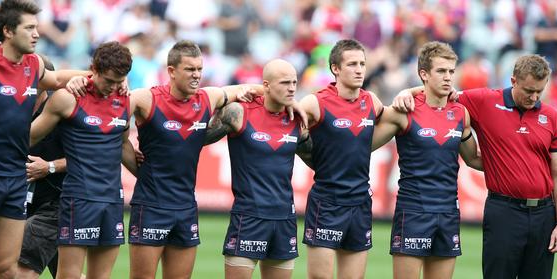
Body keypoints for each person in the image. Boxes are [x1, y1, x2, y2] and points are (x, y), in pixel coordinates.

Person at [392, 54, 557, 279]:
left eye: (539, 91)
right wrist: (406, 92)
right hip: (504, 210)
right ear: (513, 81)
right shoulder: (485, 101)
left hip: (544, 213)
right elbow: (441, 91)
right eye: (528, 91)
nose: (534, 97)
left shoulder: (552, 117)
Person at [0, 0, 89, 277]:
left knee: (7, 270)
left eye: (37, 27)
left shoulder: (34, 64)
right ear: (7, 30)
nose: (37, 34)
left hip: (15, 180)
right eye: (29, 28)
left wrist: (98, 76)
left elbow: (55, 79)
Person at [122, 40, 270, 279]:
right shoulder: (145, 99)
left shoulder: (208, 98)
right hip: (150, 206)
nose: (197, 75)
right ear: (171, 71)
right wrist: (137, 168)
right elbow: (115, 129)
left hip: (186, 208)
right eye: (190, 69)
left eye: (200, 69)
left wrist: (295, 103)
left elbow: (257, 88)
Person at [371, 41, 482, 279]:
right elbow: (363, 147)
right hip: (413, 211)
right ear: (424, 74)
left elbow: (473, 159)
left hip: (448, 212)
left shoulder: (461, 113)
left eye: (451, 71)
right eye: (441, 71)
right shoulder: (404, 110)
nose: (448, 77)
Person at [29, 41, 135, 279]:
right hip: (79, 200)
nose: (113, 87)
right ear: (93, 69)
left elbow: (123, 145)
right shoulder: (68, 98)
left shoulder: (126, 99)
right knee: (68, 276)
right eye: (108, 81)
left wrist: (150, 177)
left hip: (112, 201)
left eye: (120, 81)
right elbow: (28, 138)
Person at [204, 59, 312, 279]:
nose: (292, 88)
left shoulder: (296, 120)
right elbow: (195, 135)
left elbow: (320, 162)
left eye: (294, 82)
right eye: (284, 83)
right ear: (267, 85)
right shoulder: (238, 112)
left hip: (285, 220)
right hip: (249, 217)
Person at [296, 39, 384, 279]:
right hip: (327, 202)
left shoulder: (371, 102)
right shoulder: (316, 102)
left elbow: (398, 120)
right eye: (352, 64)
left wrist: (410, 92)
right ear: (335, 68)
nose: (359, 69)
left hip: (360, 202)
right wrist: (310, 156)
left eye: (362, 64)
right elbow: (290, 126)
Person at [17, 55, 68, 279]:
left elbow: (89, 157)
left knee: (20, 271)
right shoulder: (15, 111)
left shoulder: (61, 112)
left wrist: (49, 166)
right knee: (67, 275)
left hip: (54, 205)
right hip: (24, 207)